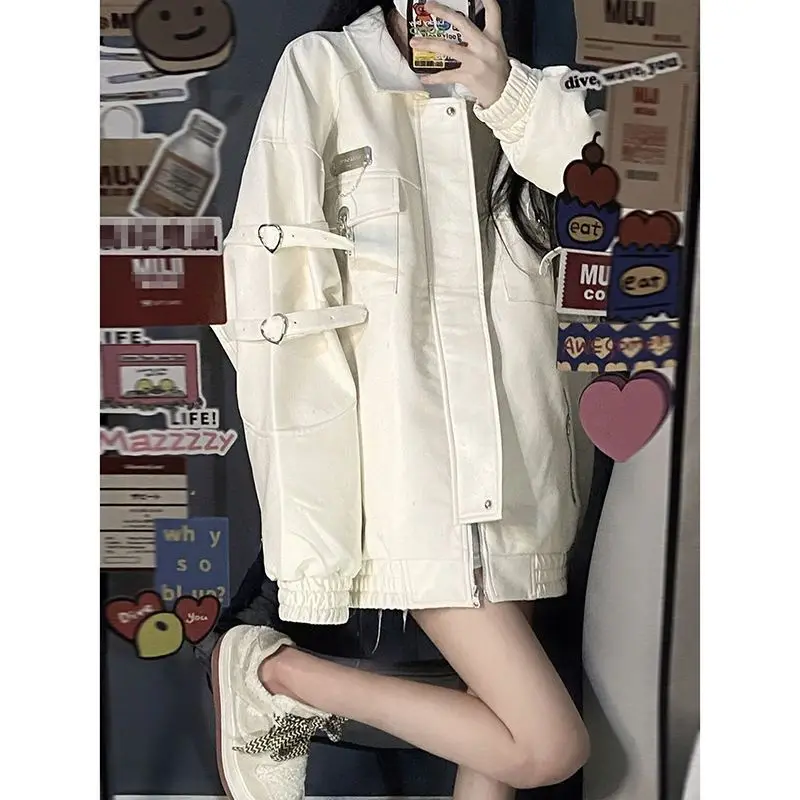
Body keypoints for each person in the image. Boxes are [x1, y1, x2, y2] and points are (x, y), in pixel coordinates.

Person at [211, 1, 604, 798]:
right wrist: (315, 517)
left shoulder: (539, 90)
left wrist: (507, 93)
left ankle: (279, 681)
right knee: (546, 748)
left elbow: (613, 209)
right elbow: (273, 300)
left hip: (523, 465)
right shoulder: (326, 68)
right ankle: (275, 677)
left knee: (497, 746)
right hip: (411, 473)